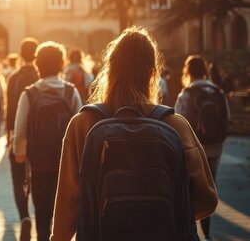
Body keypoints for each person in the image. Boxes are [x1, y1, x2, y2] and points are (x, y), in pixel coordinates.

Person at [51, 26, 218, 241]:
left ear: (110, 71)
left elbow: (66, 207)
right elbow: (207, 200)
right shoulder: (176, 126)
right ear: (152, 72)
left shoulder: (82, 125)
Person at [14, 41, 82, 241]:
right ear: (62, 64)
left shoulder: (29, 94)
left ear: (37, 65)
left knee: (42, 213)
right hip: (66, 164)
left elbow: (20, 131)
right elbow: (79, 126)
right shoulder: (71, 92)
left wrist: (20, 154)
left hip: (39, 163)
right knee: (64, 213)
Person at [175, 55, 230, 241]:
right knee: (209, 184)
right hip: (215, 146)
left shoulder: (187, 93)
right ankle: (207, 232)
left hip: (192, 147)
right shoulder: (217, 91)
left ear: (187, 71)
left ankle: (193, 230)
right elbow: (227, 117)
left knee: (189, 188)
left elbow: (177, 122)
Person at [6, 37, 39, 241]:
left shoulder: (14, 78)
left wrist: (10, 134)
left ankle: (24, 216)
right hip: (40, 137)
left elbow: (10, 110)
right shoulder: (41, 74)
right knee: (38, 179)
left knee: (18, 180)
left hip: (19, 134)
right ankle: (39, 216)